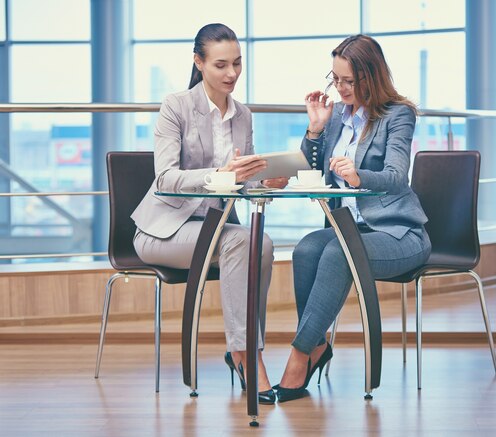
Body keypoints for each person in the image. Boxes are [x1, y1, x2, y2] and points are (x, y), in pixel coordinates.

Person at [131, 23, 287, 404]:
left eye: (237, 63)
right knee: (242, 243)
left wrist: (263, 182)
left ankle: (244, 348)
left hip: (215, 230)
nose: (231, 74)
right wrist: (220, 174)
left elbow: (240, 182)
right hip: (164, 232)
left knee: (262, 245)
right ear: (199, 62)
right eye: (220, 65)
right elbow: (165, 178)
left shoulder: (243, 115)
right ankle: (247, 356)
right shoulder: (176, 106)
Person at [275, 34, 432, 402]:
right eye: (336, 79)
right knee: (307, 248)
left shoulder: (397, 115)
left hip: (399, 234)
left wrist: (359, 174)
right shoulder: (337, 118)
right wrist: (315, 129)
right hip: (353, 229)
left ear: (369, 77)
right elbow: (310, 169)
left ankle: (299, 357)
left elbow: (396, 177)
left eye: (349, 81)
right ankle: (317, 344)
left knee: (337, 252)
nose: (341, 88)